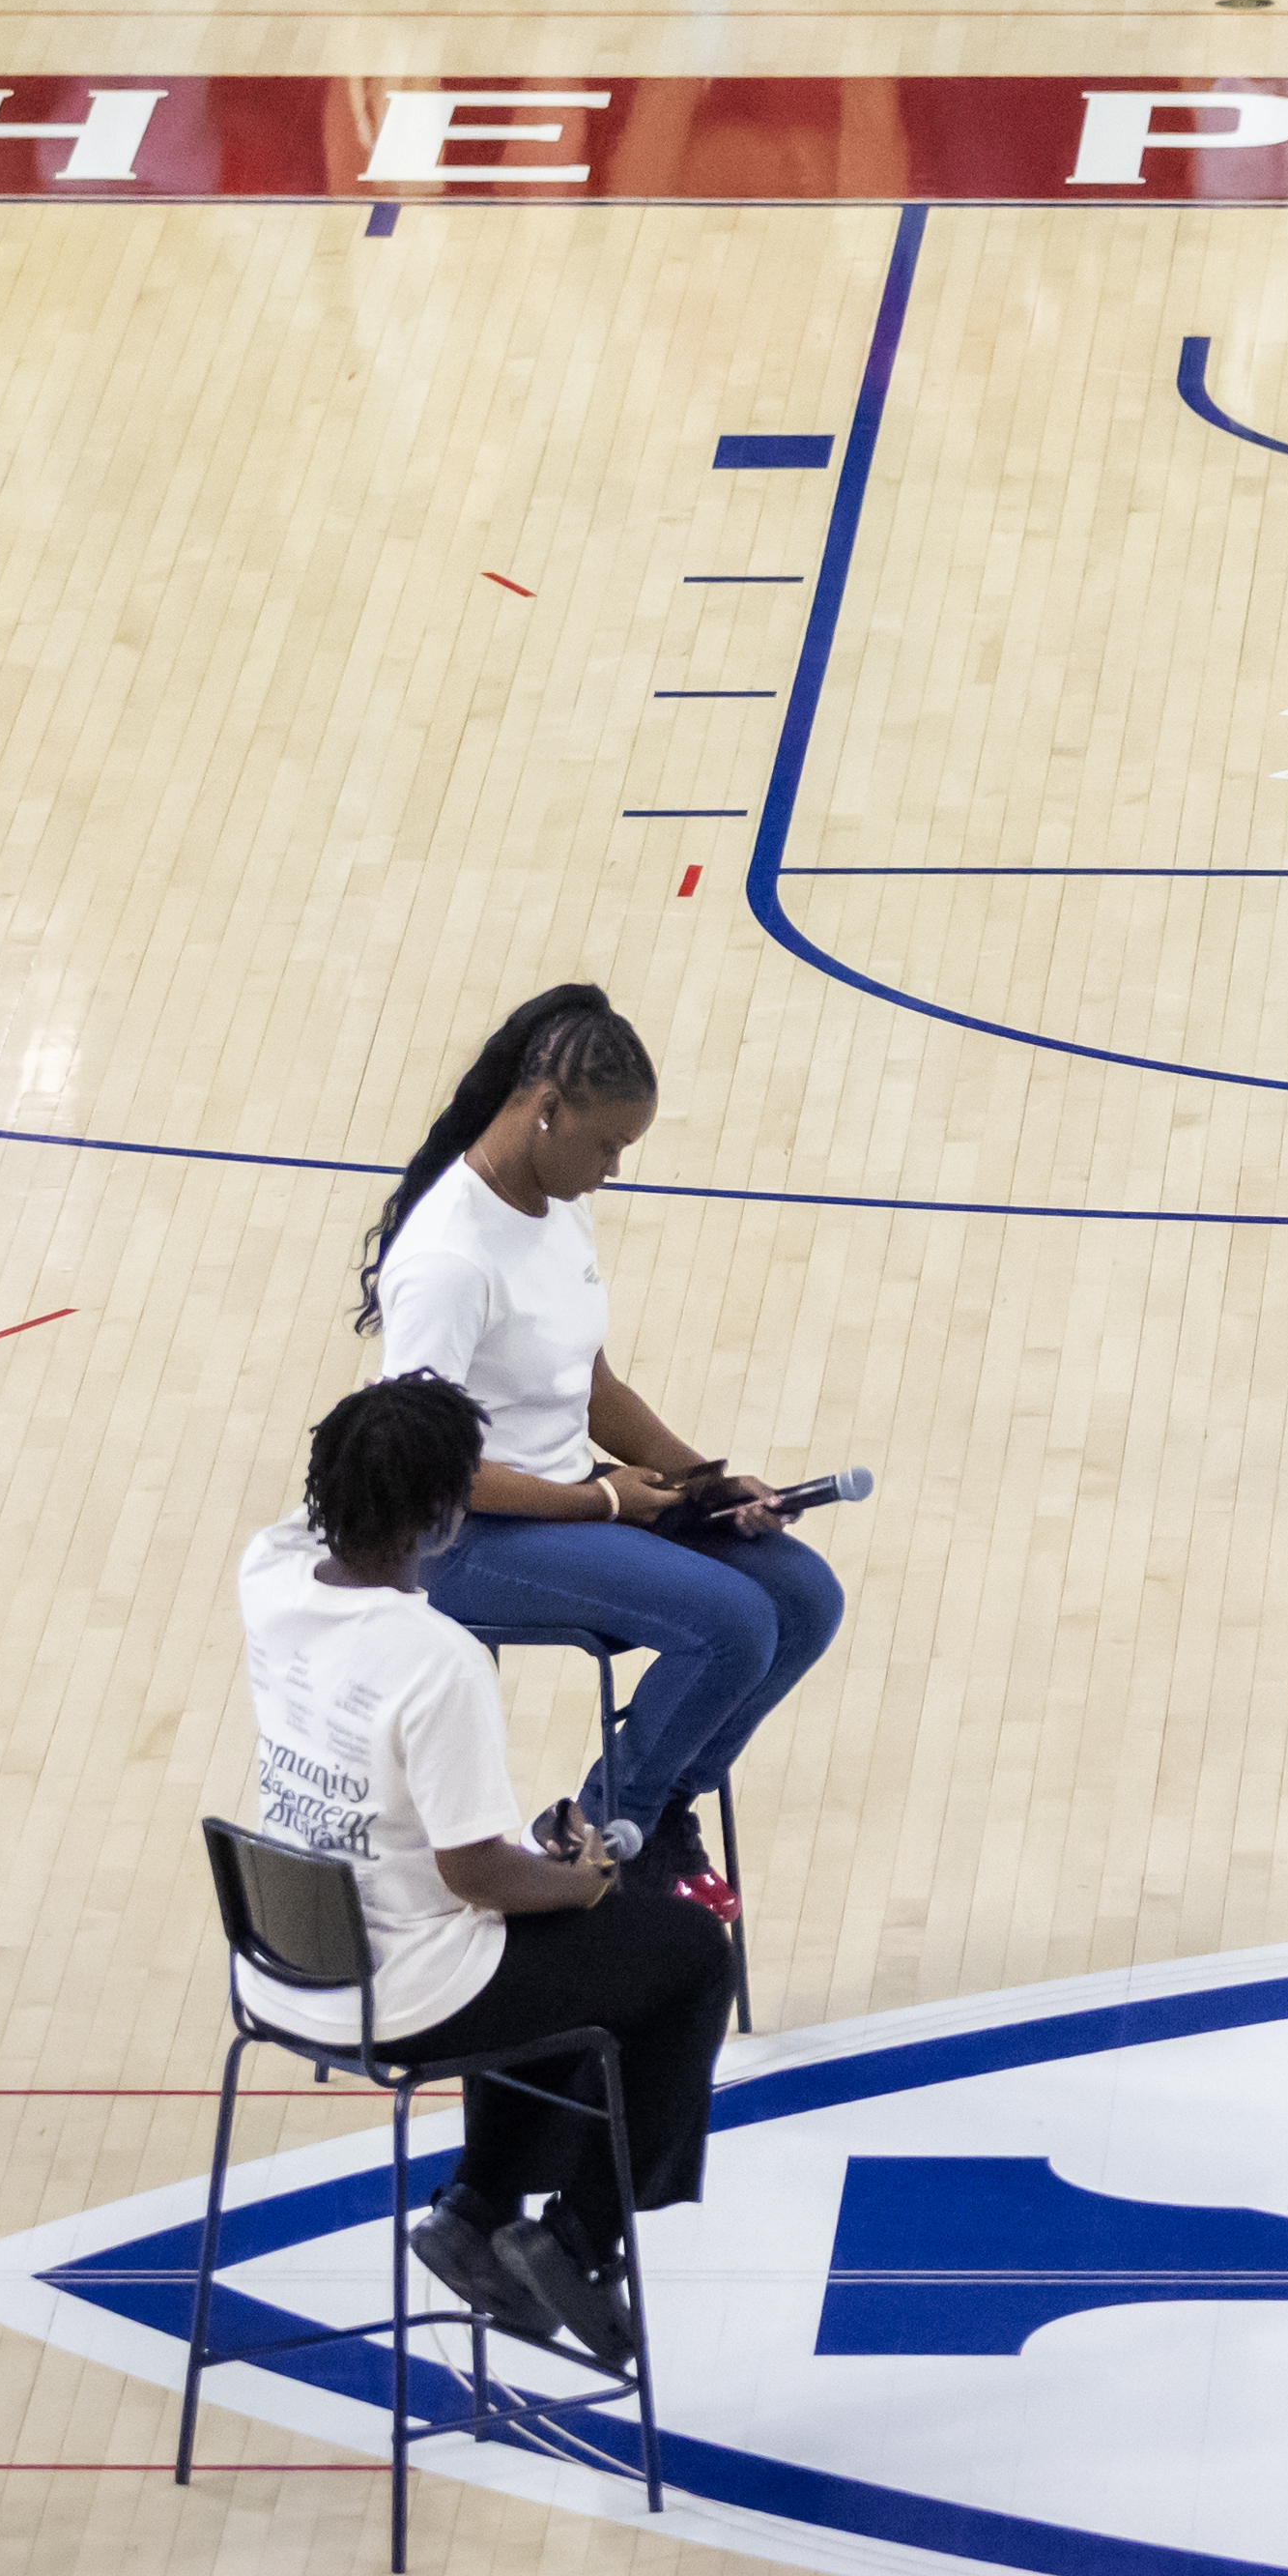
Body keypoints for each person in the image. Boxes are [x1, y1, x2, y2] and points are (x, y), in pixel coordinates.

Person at [229, 1366, 738, 2386]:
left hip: (284, 1959)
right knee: (678, 1956)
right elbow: (474, 1877)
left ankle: (477, 2214)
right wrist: (584, 1878)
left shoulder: (269, 1571)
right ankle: (580, 2238)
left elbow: (345, 1481)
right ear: (443, 1513)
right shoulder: (436, 1658)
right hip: (400, 1993)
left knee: (574, 1958)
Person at [340, 981, 844, 1909]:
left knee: (804, 1596)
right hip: (467, 1536)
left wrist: (708, 1482)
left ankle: (643, 1814)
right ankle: (627, 1839)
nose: (615, 1168)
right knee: (732, 1623)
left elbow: (595, 1386)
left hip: (579, 1498)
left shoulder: (556, 1203)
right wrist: (605, 1501)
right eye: (608, 1144)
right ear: (544, 1110)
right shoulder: (449, 1260)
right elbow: (424, 1467)